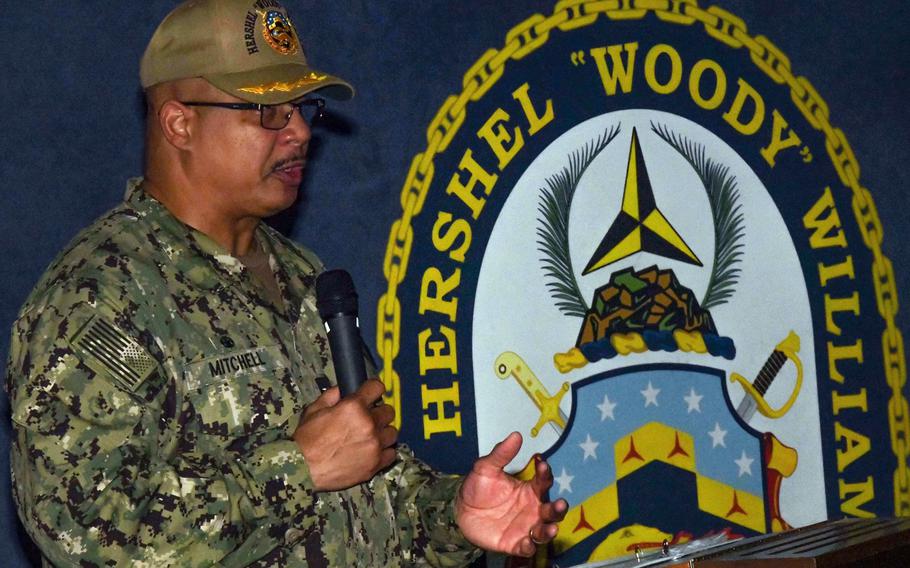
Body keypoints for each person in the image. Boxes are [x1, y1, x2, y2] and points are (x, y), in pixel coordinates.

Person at [5, 1, 567, 566]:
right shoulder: (100, 298)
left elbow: (372, 496)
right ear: (180, 123)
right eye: (268, 110)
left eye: (301, 107)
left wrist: (455, 517)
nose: (298, 131)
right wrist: (298, 469)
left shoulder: (302, 276)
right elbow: (84, 536)